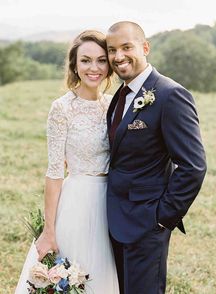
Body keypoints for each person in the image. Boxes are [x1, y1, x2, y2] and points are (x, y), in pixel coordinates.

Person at [106, 21, 207, 294]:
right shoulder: (121, 94)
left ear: (145, 47)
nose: (118, 56)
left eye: (127, 47)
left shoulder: (169, 94)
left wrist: (162, 219)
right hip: (113, 220)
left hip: (146, 224)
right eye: (112, 50)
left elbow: (193, 166)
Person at [15, 30, 119, 294]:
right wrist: (49, 231)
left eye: (100, 60)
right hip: (77, 203)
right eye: (85, 60)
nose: (93, 68)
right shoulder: (62, 108)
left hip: (114, 203)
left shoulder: (114, 105)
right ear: (74, 65)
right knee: (73, 277)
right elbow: (53, 173)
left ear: (109, 65)